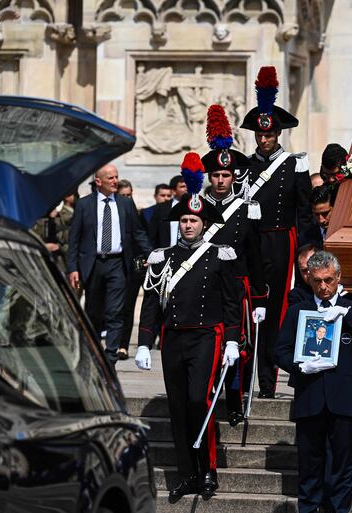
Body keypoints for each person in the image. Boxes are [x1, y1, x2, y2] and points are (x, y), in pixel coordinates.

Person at [135, 165, 242, 501]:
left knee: (200, 400)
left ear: (204, 223)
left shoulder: (218, 256)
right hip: (173, 339)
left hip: (206, 337)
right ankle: (186, 475)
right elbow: (152, 302)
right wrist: (142, 343)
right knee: (179, 407)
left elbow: (231, 302)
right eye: (184, 220)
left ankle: (208, 469)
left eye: (194, 221)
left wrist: (233, 340)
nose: (189, 224)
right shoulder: (162, 258)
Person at [273, 251, 352, 513]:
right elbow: (280, 351)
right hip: (310, 398)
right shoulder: (299, 310)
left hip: (344, 399)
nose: (323, 287)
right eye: (318, 280)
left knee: (342, 467)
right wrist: (300, 366)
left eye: (329, 280)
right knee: (310, 465)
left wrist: (346, 314)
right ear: (309, 278)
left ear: (339, 277)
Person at [241, 65, 313, 398]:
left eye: (269, 134)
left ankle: (273, 377)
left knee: (280, 309)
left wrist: (306, 248)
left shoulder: (294, 164)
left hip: (283, 240)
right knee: (253, 306)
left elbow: (304, 210)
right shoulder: (244, 166)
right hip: (253, 242)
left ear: (278, 134)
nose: (264, 139)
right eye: (260, 134)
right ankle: (248, 378)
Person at [200, 104, 269, 426]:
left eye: (226, 175)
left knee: (238, 347)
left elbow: (256, 256)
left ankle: (234, 400)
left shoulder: (247, 209)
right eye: (216, 175)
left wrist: (259, 298)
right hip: (205, 286)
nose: (221, 180)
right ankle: (210, 393)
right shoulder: (197, 209)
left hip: (237, 287)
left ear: (233, 176)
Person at [67, 164, 151, 365]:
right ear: (98, 182)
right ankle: (94, 353)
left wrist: (152, 253)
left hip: (117, 264)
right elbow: (74, 240)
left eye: (116, 177)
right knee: (93, 312)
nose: (115, 181)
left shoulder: (125, 204)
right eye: (111, 178)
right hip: (93, 264)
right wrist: (73, 268)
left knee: (115, 311)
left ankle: (111, 356)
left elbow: (138, 232)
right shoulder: (84, 205)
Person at [115, 179, 148, 360]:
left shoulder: (138, 215)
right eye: (123, 196)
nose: (127, 199)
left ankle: (123, 345)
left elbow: (143, 237)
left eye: (130, 195)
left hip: (134, 268)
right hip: (116, 266)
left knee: (128, 307)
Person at [147, 175, 188, 248]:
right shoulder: (161, 208)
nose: (186, 189)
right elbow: (152, 235)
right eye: (182, 186)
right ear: (173, 191)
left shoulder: (195, 207)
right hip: (165, 253)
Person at [288, 243, 321, 307]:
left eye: (311, 267)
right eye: (304, 270)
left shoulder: (337, 291)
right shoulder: (296, 296)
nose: (308, 273)